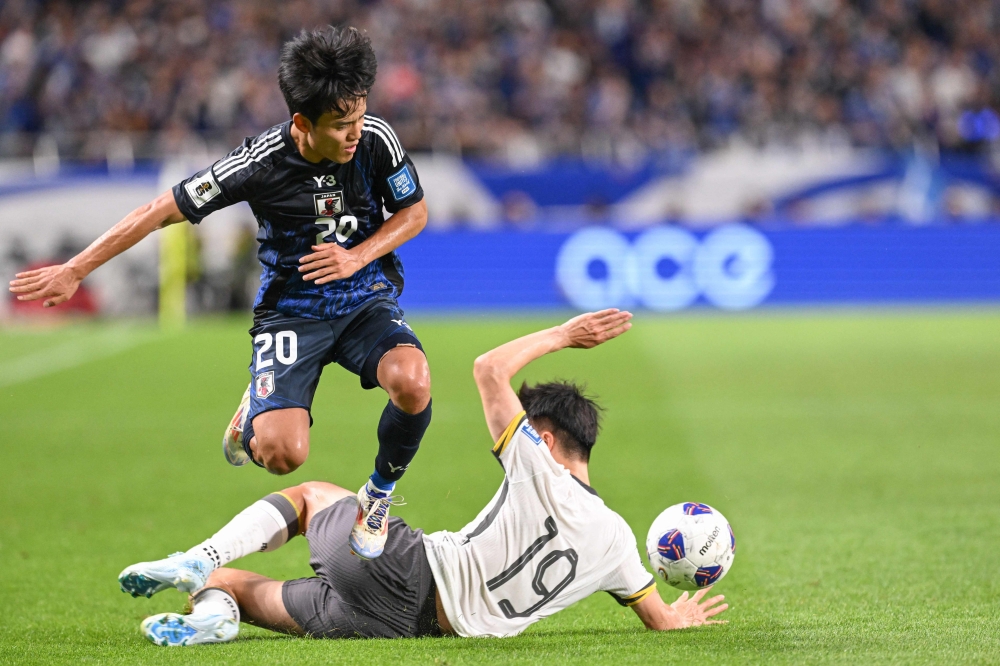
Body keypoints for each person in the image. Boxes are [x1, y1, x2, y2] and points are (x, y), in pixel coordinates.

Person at [8, 27, 433, 559]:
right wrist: (75, 269)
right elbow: (157, 211)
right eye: (341, 124)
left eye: (360, 115)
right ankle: (256, 405)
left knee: (413, 382)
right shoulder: (259, 163)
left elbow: (414, 212)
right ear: (302, 123)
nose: (355, 132)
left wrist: (356, 256)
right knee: (282, 455)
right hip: (290, 313)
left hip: (363, 298)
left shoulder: (376, 139)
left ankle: (378, 496)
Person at [118, 310, 729, 646]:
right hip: (406, 630)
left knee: (309, 495)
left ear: (544, 440)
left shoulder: (540, 469)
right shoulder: (622, 545)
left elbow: (489, 368)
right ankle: (218, 615)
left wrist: (565, 335)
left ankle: (199, 558)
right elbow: (660, 618)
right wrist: (684, 615)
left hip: (404, 568)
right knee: (239, 589)